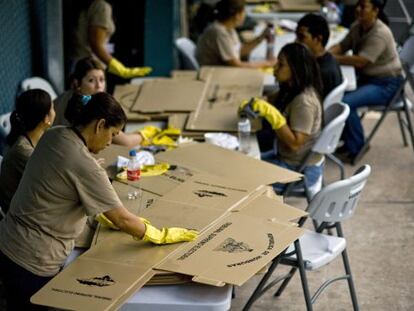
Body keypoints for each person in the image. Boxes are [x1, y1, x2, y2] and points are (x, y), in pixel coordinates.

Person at [0, 92, 198, 310]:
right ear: (100, 125)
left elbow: (62, 182)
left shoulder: (55, 134)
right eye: (112, 134)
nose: (111, 142)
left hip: (8, 243)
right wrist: (160, 235)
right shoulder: (85, 165)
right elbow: (123, 219)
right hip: (33, 261)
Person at [240, 43, 324, 194]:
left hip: (298, 173)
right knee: (240, 162)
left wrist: (274, 116)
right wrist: (255, 102)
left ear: (295, 69)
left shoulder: (304, 102)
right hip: (285, 159)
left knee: (241, 176)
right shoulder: (290, 88)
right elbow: (269, 99)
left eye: (281, 64)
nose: (275, 68)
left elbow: (294, 144)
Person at [329, 0, 402, 163]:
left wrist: (331, 57)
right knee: (335, 96)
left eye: (363, 7)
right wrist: (326, 53)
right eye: (358, 5)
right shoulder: (358, 25)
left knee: (346, 102)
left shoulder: (380, 33)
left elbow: (361, 61)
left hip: (387, 84)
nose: (358, 9)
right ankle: (348, 141)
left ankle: (357, 146)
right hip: (368, 79)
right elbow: (342, 45)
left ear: (375, 11)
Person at [54, 57, 144, 147]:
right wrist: (143, 135)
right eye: (91, 80)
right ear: (77, 83)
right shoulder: (90, 107)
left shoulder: (66, 96)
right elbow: (125, 142)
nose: (99, 86)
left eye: (101, 80)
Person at [0, 90, 55, 213]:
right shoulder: (23, 151)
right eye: (53, 108)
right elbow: (54, 184)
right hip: (22, 217)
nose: (54, 111)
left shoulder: (32, 140)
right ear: (46, 119)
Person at [71, 0, 151, 79]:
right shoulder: (101, 6)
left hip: (83, 67)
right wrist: (121, 70)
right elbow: (96, 44)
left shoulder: (94, 5)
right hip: (89, 69)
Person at [196, 0, 276, 68]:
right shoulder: (219, 32)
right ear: (237, 15)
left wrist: (261, 37)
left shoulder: (228, 28)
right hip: (215, 74)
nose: (245, 15)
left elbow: (239, 51)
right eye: (244, 12)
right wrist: (267, 63)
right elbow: (236, 65)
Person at [296, 13, 343, 99]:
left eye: (301, 37)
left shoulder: (319, 73)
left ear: (318, 39)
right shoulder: (329, 58)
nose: (296, 42)